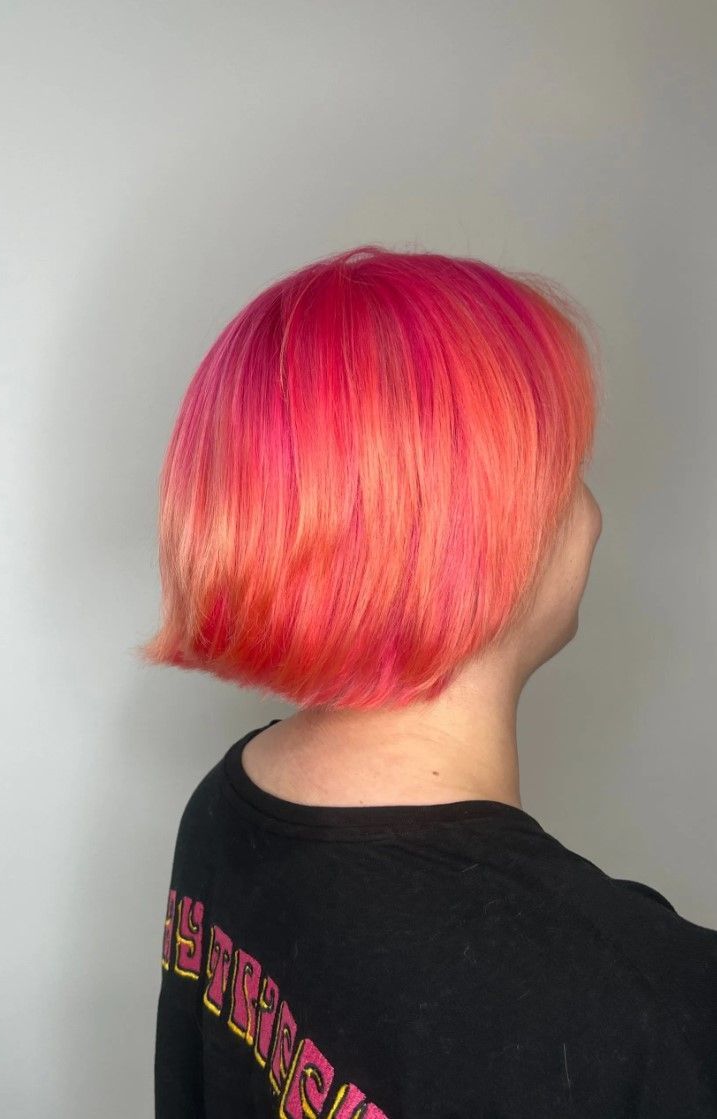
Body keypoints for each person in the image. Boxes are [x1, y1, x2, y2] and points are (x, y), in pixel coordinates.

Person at [140, 245, 717, 1117]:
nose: (593, 516)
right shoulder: (635, 1003)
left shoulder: (227, 804)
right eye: (567, 472)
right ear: (488, 540)